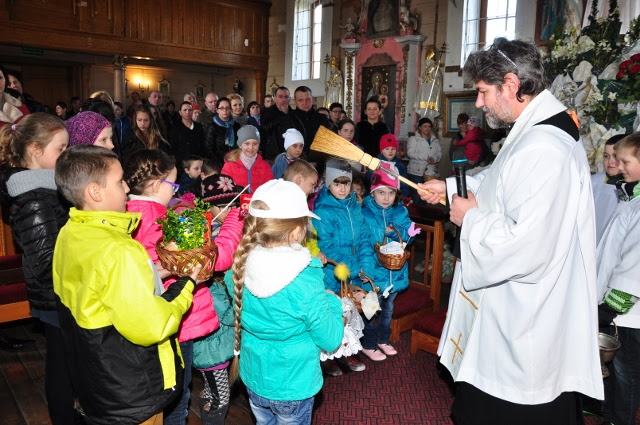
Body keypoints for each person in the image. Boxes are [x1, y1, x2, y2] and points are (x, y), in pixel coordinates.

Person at [418, 37, 603, 424]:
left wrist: (470, 219)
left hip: (525, 317)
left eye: (483, 92)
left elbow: (527, 244)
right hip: (518, 307)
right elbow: (502, 183)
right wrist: (450, 189)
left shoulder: (544, 147)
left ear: (511, 84)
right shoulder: (536, 132)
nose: (479, 103)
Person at [53, 145, 201, 425]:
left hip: (96, 378)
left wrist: (157, 271)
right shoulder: (120, 249)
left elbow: (103, 290)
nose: (126, 188)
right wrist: (188, 282)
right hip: (131, 388)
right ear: (95, 192)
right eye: (120, 181)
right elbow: (152, 325)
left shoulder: (70, 232)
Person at [227, 179, 343, 425]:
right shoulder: (305, 280)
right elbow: (331, 339)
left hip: (254, 378)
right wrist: (333, 302)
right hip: (293, 384)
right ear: (297, 231)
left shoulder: (237, 269)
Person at [122, 149, 220, 425]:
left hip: (145, 316)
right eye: (173, 185)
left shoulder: (127, 211)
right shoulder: (158, 217)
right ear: (156, 185)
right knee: (178, 392)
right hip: (174, 314)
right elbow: (175, 261)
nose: (175, 191)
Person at [0, 113, 73, 424]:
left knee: (67, 363)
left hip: (60, 291)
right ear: (34, 149)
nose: (66, 155)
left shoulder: (45, 187)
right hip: (56, 293)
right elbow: (46, 260)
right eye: (60, 149)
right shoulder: (34, 197)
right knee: (62, 368)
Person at [313, 159, 374, 375]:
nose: (342, 188)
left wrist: (367, 266)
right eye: (337, 183)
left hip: (355, 270)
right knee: (334, 313)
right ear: (328, 184)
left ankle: (348, 351)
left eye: (346, 183)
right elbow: (326, 246)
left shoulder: (355, 205)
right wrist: (354, 266)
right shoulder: (323, 210)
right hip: (333, 272)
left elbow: (365, 237)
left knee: (351, 313)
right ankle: (329, 355)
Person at [193, 172, 244, 425]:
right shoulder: (208, 242)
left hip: (217, 339)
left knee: (215, 386)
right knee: (220, 398)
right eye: (222, 205)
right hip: (212, 338)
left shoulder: (230, 232)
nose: (229, 210)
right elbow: (222, 306)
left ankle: (210, 394)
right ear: (207, 208)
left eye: (232, 204)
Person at [595, 133, 640, 425]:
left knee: (627, 374)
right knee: (611, 369)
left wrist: (611, 306)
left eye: (625, 161)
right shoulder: (629, 198)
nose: (618, 166)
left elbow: (635, 265)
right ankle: (608, 413)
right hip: (618, 310)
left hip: (629, 313)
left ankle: (620, 419)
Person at [361, 162, 413, 358]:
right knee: (370, 310)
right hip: (374, 272)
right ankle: (368, 343)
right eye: (381, 192)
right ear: (372, 192)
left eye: (391, 193)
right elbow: (363, 242)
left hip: (395, 273)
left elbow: (410, 235)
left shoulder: (401, 212)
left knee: (388, 310)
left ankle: (383, 339)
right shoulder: (365, 214)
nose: (386, 198)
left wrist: (394, 234)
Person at [592, 134, 625, 243]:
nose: (610, 161)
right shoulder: (592, 182)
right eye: (606, 156)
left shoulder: (632, 188)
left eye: (615, 156)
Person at [221, 125, 273, 193]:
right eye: (247, 144)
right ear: (240, 144)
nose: (251, 147)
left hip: (258, 199)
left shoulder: (265, 166)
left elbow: (270, 189)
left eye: (255, 144)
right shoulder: (230, 166)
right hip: (237, 199)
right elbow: (224, 190)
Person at [260, 86, 305, 161]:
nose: (284, 99)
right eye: (280, 97)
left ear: (289, 99)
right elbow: (265, 128)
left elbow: (299, 131)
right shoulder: (267, 112)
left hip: (291, 154)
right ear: (275, 98)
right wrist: (282, 115)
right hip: (272, 154)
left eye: (286, 97)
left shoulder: (294, 114)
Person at [291, 86, 330, 160]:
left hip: (318, 160)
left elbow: (326, 142)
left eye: (307, 99)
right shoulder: (289, 118)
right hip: (296, 161)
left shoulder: (322, 118)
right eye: (300, 100)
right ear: (295, 101)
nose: (304, 103)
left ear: (313, 99)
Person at [407, 117, 441, 203]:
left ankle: (423, 211)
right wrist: (426, 157)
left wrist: (434, 159)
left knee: (426, 197)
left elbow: (439, 153)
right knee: (416, 196)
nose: (427, 128)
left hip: (429, 173)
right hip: (416, 172)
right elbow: (410, 153)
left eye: (429, 126)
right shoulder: (414, 139)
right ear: (420, 127)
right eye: (425, 126)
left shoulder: (435, 140)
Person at [169, 101, 207, 168]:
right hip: (181, 163)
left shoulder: (199, 127)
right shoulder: (175, 127)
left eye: (190, 110)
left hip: (197, 163)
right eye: (185, 110)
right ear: (180, 112)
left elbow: (203, 145)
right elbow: (173, 147)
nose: (187, 112)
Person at [205, 97, 240, 164]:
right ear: (217, 110)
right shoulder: (212, 126)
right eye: (221, 108)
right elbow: (209, 149)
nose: (225, 110)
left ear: (230, 109)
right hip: (218, 162)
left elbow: (239, 145)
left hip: (234, 159)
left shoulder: (236, 126)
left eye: (227, 108)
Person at [376, 133, 409, 198]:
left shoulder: (400, 167)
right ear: (382, 151)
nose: (390, 151)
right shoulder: (376, 164)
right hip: (379, 197)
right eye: (387, 149)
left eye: (393, 149)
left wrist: (403, 196)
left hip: (395, 198)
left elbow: (404, 184)